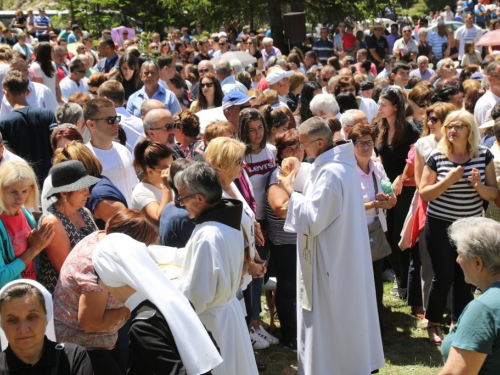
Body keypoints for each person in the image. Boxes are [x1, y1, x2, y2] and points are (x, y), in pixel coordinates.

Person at [277, 116, 384, 374]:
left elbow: (313, 219)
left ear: (320, 143)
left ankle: (331, 367)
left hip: (331, 262)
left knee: (331, 317)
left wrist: (291, 191)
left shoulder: (331, 173)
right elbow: (313, 177)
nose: (301, 150)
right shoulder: (339, 165)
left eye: (303, 145)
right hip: (342, 255)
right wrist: (297, 166)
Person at [93, 231, 223, 374]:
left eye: (97, 274)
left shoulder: (144, 326)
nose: (100, 284)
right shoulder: (176, 300)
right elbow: (209, 348)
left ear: (110, 275)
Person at [420, 110, 499, 345]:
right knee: (443, 275)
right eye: (449, 127)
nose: (452, 130)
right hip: (440, 224)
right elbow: (425, 194)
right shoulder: (437, 156)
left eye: (458, 126)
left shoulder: (483, 155)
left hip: (470, 227)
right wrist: (448, 180)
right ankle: (433, 322)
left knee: (466, 278)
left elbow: (494, 194)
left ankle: (460, 321)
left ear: (470, 131)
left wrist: (479, 187)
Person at [174, 163, 259, 375]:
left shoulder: (207, 234)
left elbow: (198, 293)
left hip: (214, 321)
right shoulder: (229, 220)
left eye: (183, 198)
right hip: (229, 312)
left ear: (199, 199)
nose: (181, 204)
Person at [53, 210, 157, 375]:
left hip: (105, 338)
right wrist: (126, 310)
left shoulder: (104, 238)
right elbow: (90, 323)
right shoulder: (95, 265)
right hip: (84, 344)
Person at [348, 123, 396, 340]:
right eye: (360, 143)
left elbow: (389, 192)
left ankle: (377, 329)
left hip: (375, 231)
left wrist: (389, 200)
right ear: (352, 145)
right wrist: (374, 205)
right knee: (357, 284)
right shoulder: (346, 170)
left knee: (376, 283)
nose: (365, 147)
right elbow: (347, 205)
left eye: (369, 142)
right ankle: (359, 331)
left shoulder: (377, 166)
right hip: (353, 234)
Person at [437, 217, 500, 374]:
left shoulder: (483, 310)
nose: (457, 260)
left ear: (478, 262)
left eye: (460, 254)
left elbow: (456, 373)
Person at [377, 87, 420, 302]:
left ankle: (404, 283)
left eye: (383, 104)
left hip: (406, 188)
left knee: (398, 236)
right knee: (386, 236)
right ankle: (399, 277)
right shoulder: (381, 128)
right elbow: (380, 158)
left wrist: (401, 178)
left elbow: (415, 159)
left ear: (395, 106)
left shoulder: (410, 130)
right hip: (386, 188)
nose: (379, 107)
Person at [264, 129, 305, 350]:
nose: (296, 153)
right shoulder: (277, 175)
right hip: (285, 242)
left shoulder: (307, 171)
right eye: (289, 148)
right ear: (280, 153)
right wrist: (307, 203)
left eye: (299, 147)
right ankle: (290, 336)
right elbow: (279, 209)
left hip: (304, 239)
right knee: (288, 288)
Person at [0, 279, 93, 374]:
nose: (23, 329)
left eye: (32, 317)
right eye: (12, 320)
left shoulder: (72, 357)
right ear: (1, 323)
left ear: (46, 317)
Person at [37, 160, 99, 294]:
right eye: (82, 190)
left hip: (90, 285)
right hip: (65, 296)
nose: (88, 194)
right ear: (64, 193)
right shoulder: (52, 222)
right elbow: (67, 270)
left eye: (88, 188)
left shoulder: (85, 212)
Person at [0, 162, 54, 288]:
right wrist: (33, 250)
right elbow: (1, 278)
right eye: (13, 192)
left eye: (24, 191)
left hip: (31, 292)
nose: (19, 198)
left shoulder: (25, 213)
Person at [0, 70, 56, 187]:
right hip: (50, 179)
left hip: (21, 183)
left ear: (5, 92)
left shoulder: (3, 124)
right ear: (28, 91)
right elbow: (56, 144)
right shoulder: (48, 114)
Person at [84, 98, 138, 207]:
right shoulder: (85, 158)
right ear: (91, 125)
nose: (116, 123)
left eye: (116, 118)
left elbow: (134, 188)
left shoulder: (123, 150)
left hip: (130, 219)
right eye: (110, 120)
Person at [131, 140, 173, 228]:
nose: (170, 171)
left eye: (172, 166)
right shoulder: (140, 192)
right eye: (165, 169)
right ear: (150, 171)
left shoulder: (170, 183)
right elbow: (160, 219)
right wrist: (167, 187)